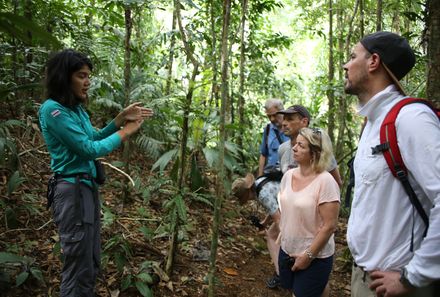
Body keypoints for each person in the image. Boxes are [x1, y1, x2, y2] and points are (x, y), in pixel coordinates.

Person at [39, 49, 153, 296]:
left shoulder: (75, 109)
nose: (87, 81)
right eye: (81, 75)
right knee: (77, 263)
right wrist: (126, 131)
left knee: (90, 261)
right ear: (64, 77)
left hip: (85, 190)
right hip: (72, 192)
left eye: (88, 75)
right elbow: (89, 149)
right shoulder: (53, 110)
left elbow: (93, 136)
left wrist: (119, 119)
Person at [344, 31, 440, 297]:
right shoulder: (373, 123)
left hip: (400, 286)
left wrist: (414, 276)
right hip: (365, 278)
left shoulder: (411, 119)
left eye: (353, 57)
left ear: (373, 61)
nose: (346, 65)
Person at [277, 127, 340, 297]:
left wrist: (309, 256)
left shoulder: (326, 181)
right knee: (290, 290)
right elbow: (284, 206)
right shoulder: (288, 175)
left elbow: (330, 225)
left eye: (301, 146)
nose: (294, 148)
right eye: (295, 144)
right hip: (287, 250)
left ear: (315, 153)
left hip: (315, 256)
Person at [231, 172, 281, 289]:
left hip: (293, 208)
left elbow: (279, 219)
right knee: (273, 234)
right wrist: (264, 223)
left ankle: (281, 275)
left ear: (247, 194)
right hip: (292, 202)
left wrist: (285, 238)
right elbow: (275, 206)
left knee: (271, 236)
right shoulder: (260, 182)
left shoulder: (262, 195)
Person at [277, 105, 342, 187]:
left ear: (304, 122)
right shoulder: (282, 149)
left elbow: (336, 183)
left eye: (290, 119)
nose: (284, 123)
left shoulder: (318, 148)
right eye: (284, 119)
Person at [258, 99, 289, 177]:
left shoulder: (292, 127)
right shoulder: (268, 129)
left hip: (288, 175)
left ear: (283, 112)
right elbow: (263, 154)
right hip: (271, 175)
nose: (272, 119)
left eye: (275, 115)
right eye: (269, 116)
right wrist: (260, 176)